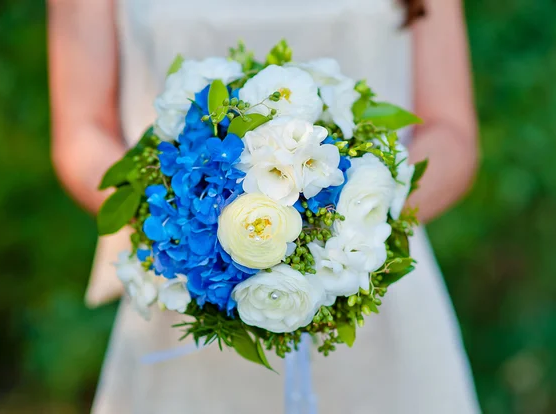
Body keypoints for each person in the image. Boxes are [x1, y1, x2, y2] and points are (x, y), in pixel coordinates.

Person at [48, 0, 481, 412]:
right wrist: (185, 222)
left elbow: (450, 133)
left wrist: (351, 232)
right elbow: (83, 135)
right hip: (187, 289)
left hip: (375, 295)